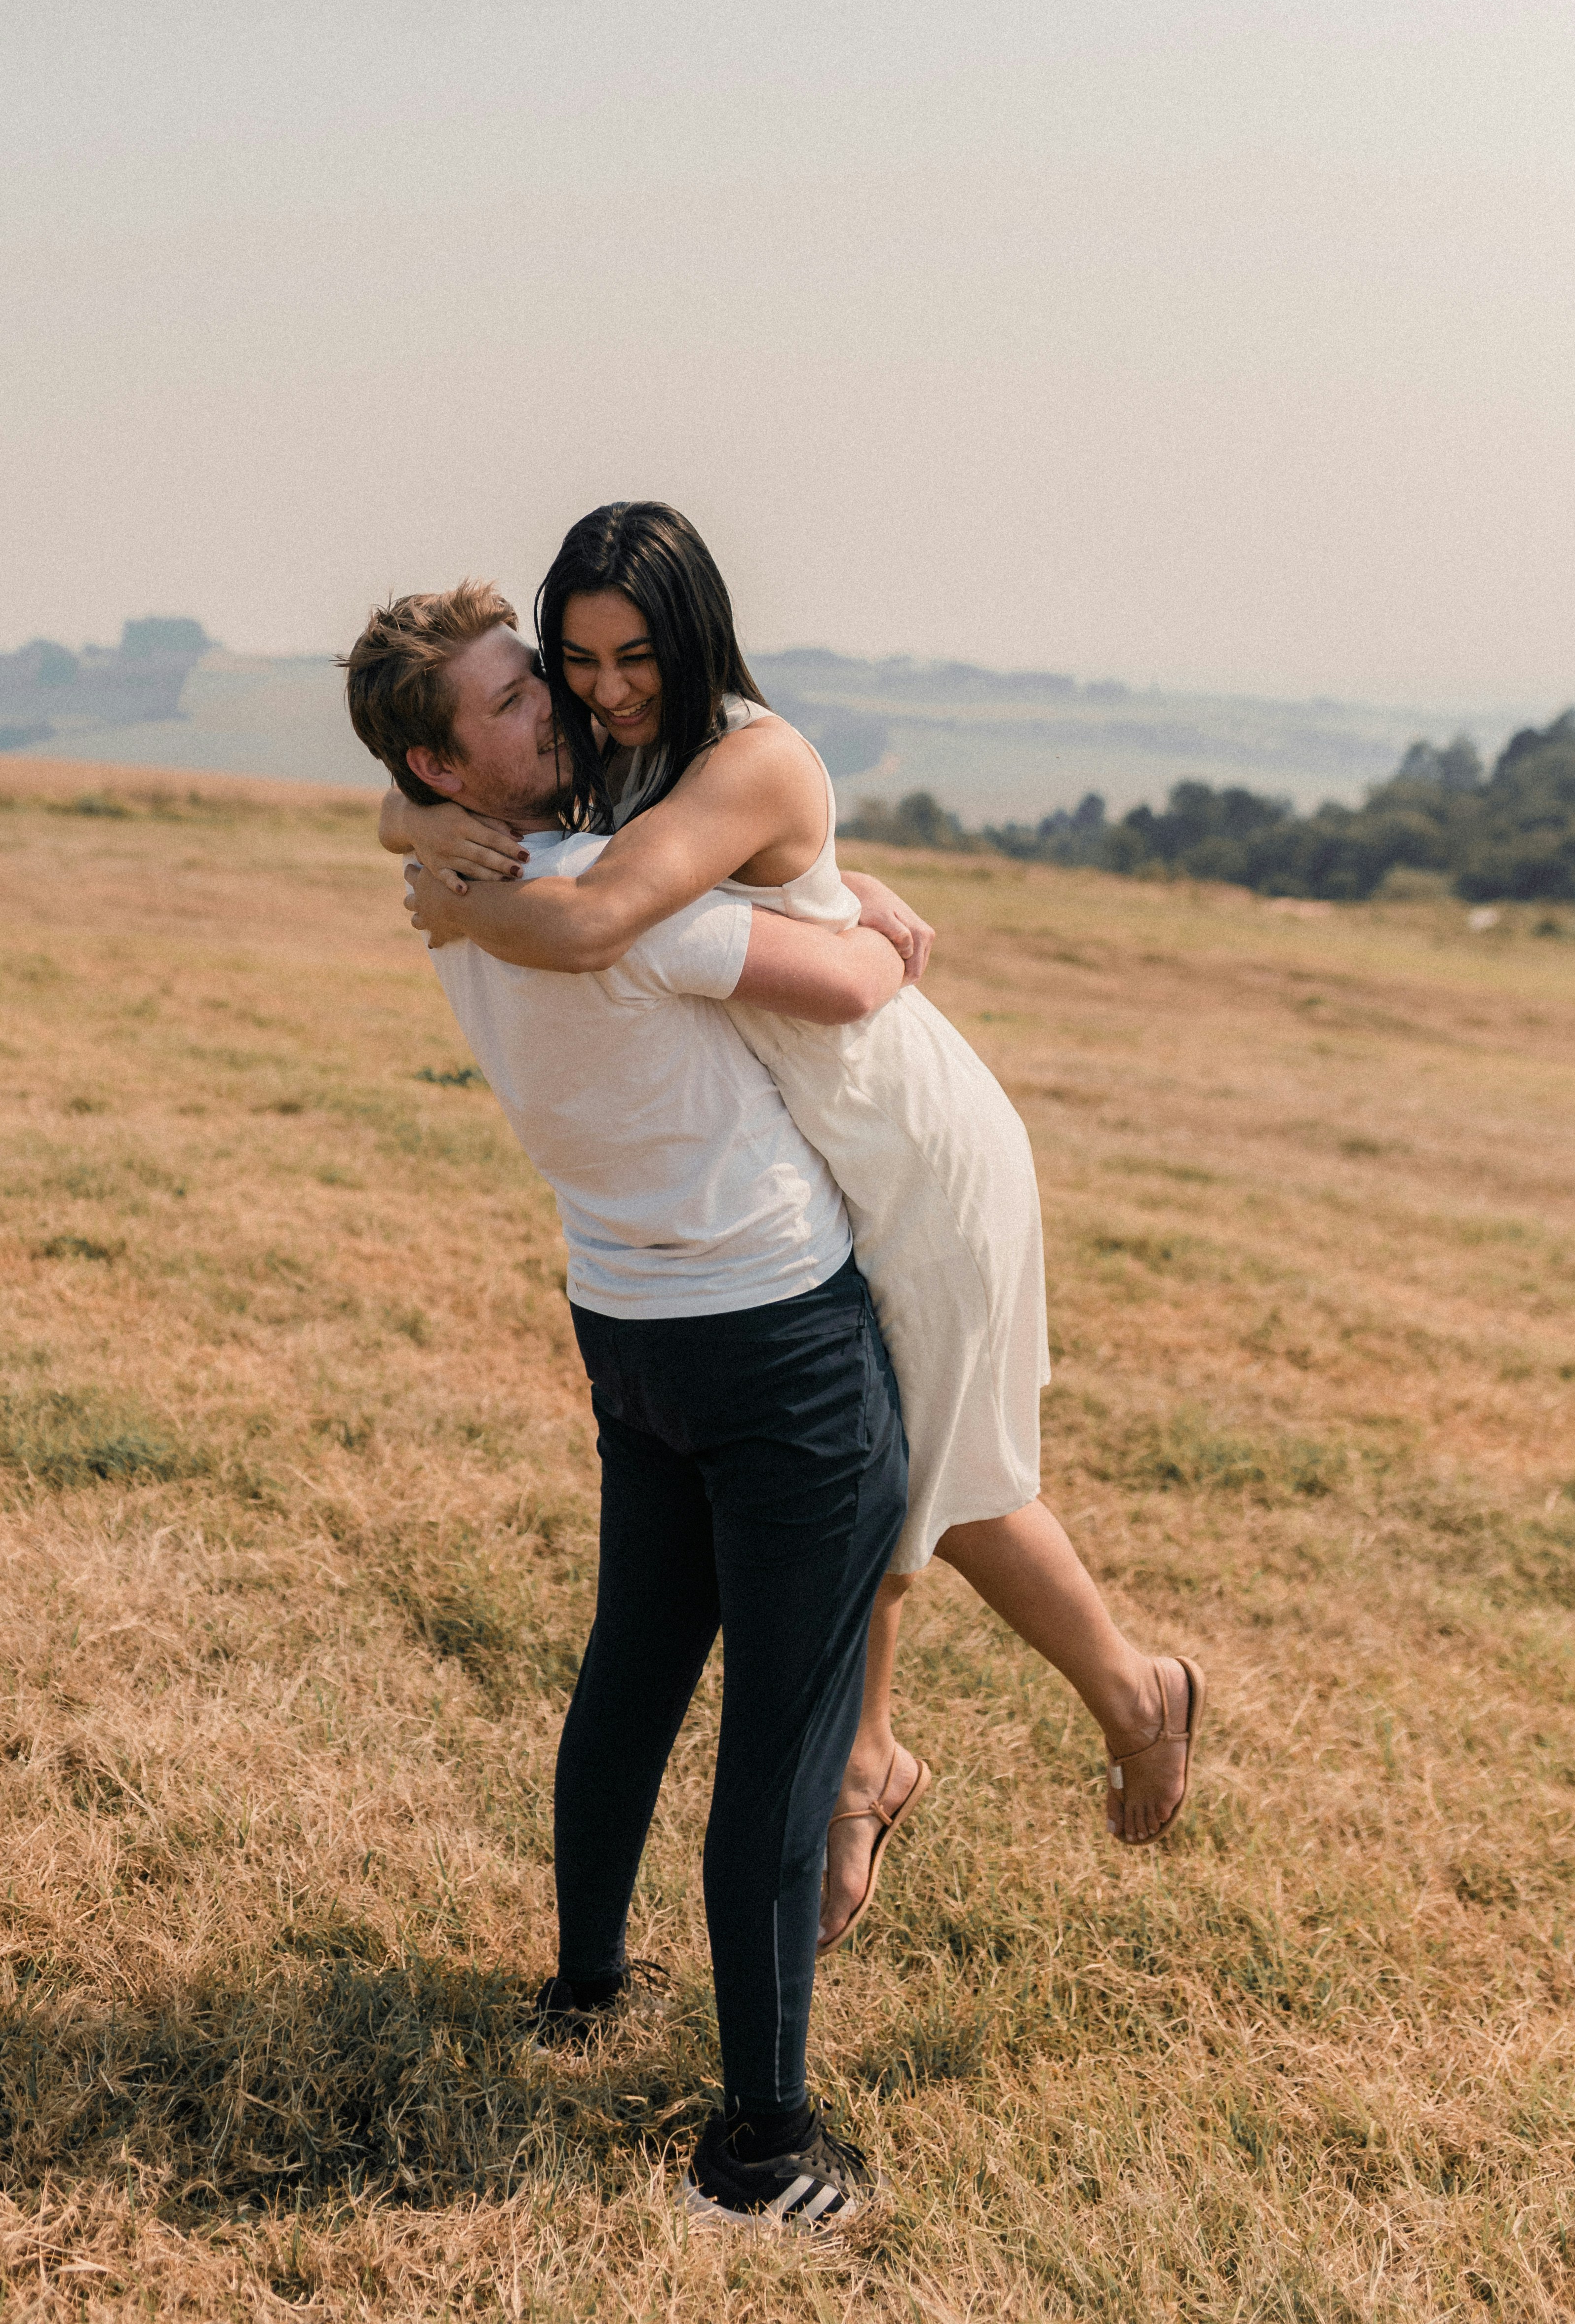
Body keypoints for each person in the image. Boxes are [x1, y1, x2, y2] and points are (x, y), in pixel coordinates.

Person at [388, 503, 1205, 1955]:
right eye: (573, 661)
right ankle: (871, 1765)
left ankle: (1131, 1700)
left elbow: (590, 924)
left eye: (633, 654)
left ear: (693, 632)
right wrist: (416, 820)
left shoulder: (747, 754)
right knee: (881, 1460)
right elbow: (460, 803)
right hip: (816, 1143)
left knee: (933, 1472)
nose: (605, 687)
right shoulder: (627, 753)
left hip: (903, 1130)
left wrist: (458, 902)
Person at [344, 579, 908, 2234]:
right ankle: (766, 2142)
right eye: (521, 703)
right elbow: (861, 989)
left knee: (634, 1672)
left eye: (547, 682)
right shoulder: (613, 896)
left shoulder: (459, 889)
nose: (562, 710)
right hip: (779, 1341)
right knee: (786, 1746)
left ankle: (585, 1986)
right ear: (454, 766)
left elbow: (419, 817)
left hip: (629, 1326)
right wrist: (859, 905)